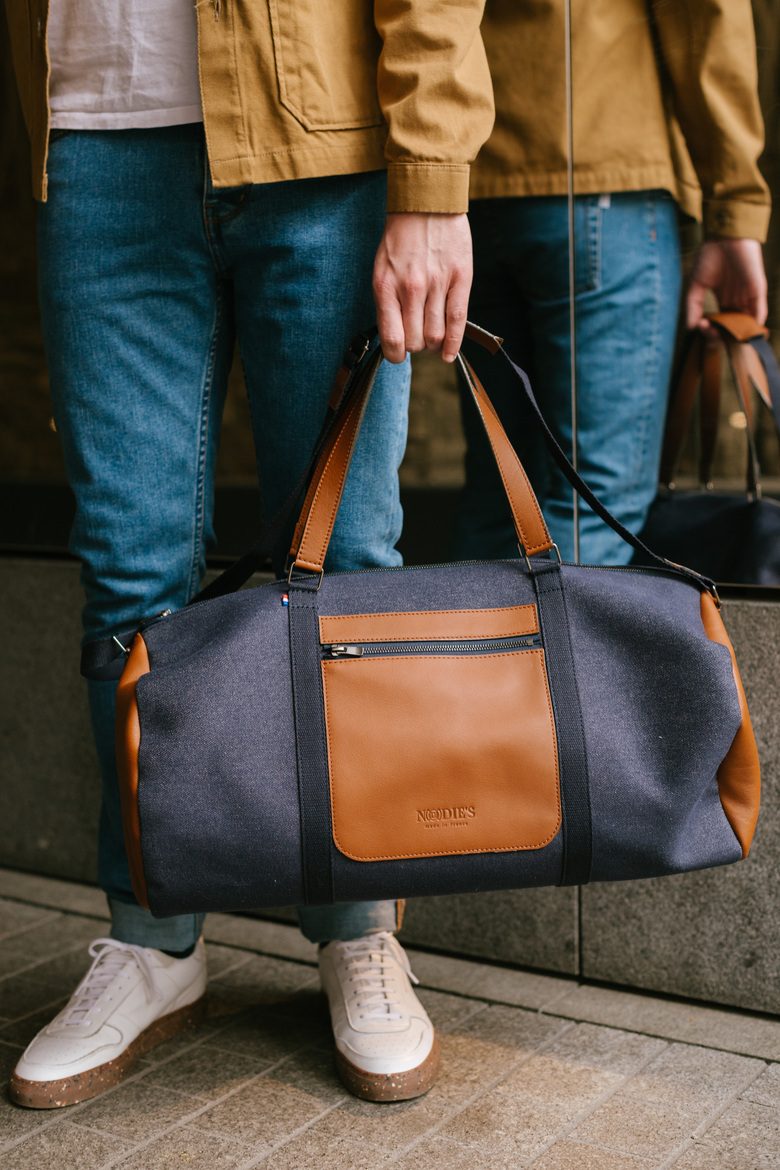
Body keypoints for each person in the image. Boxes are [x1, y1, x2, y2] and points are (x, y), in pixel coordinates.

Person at [3, 0, 493, 1108]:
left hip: (321, 142)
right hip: (92, 143)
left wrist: (431, 178)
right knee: (128, 577)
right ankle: (151, 941)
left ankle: (358, 933)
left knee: (348, 570)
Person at [456, 0, 770, 565]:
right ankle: (561, 656)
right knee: (595, 499)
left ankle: (472, 654)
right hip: (601, 165)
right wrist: (735, 204)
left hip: (471, 185)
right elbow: (706, 15)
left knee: (500, 494)